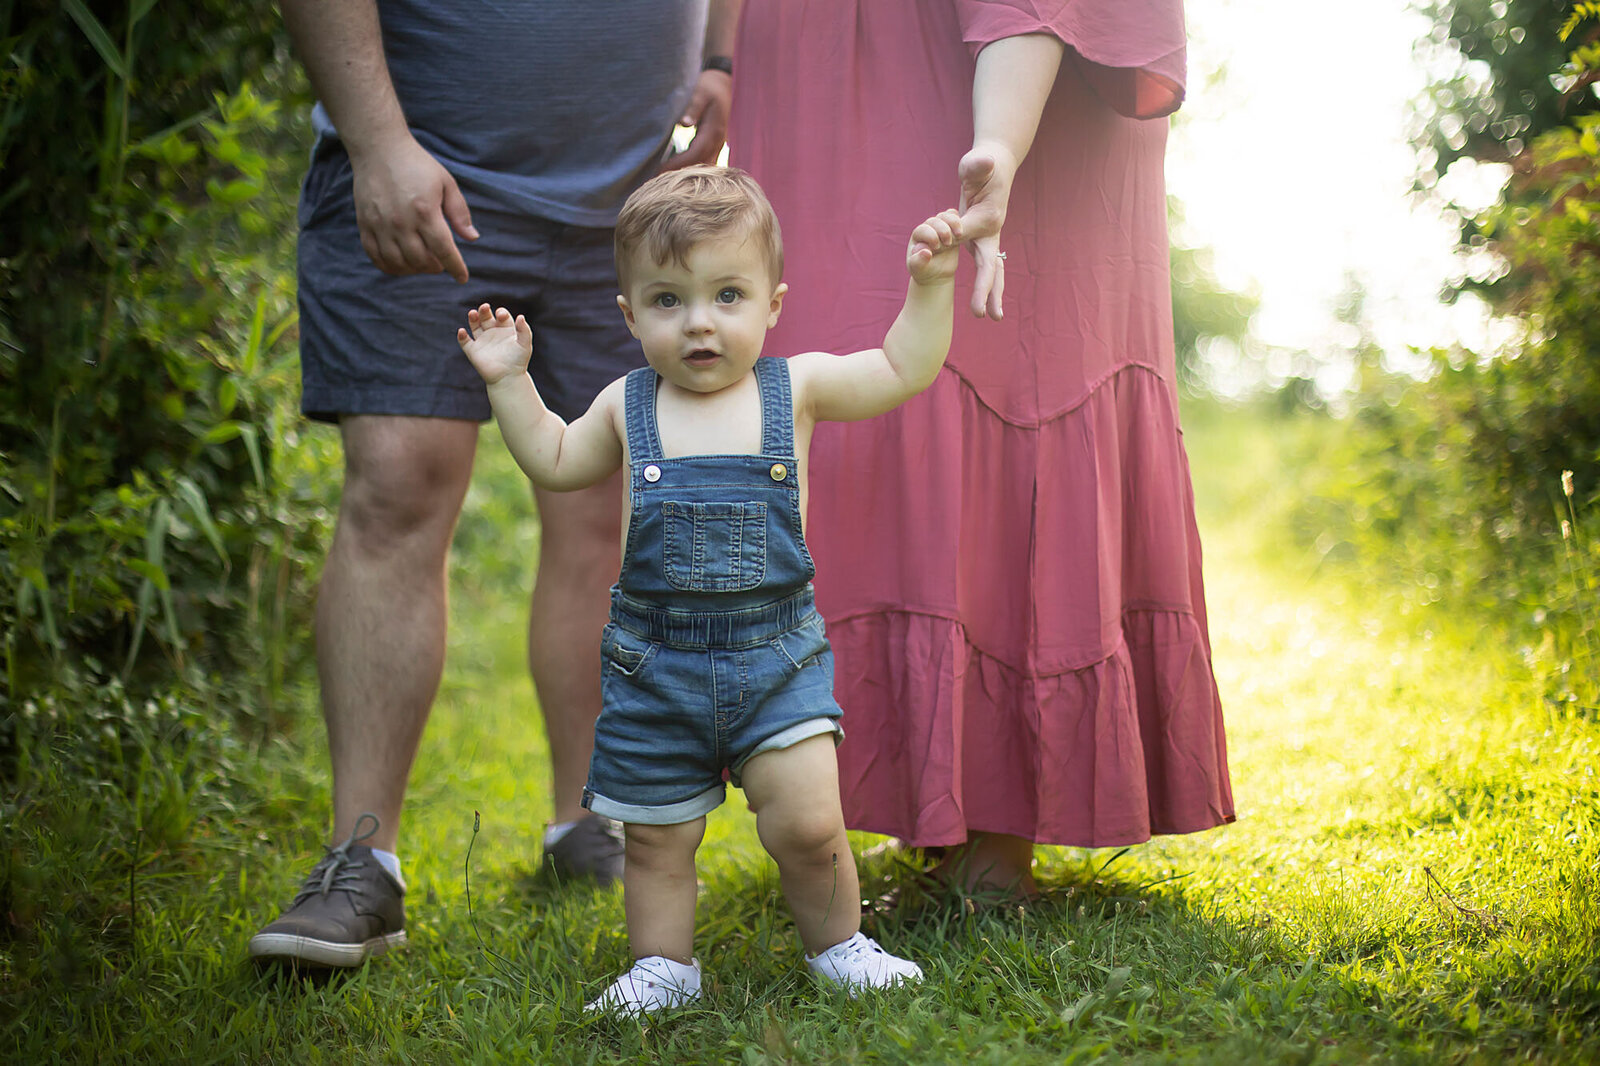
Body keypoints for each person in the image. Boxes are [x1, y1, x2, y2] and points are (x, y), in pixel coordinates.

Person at [249, 0, 740, 968]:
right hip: (424, 174)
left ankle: (584, 826)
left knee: (605, 508)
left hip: (634, 198)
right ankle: (362, 862)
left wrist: (719, 56)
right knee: (397, 482)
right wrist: (375, 139)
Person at [729, 0, 1235, 897]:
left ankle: (995, 831)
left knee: (985, 364)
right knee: (852, 379)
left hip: (990, 65)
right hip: (830, 68)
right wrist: (720, 59)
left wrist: (999, 142)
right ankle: (935, 806)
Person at [454, 166, 954, 1014]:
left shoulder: (795, 389)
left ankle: (839, 945)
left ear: (772, 304)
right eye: (667, 300)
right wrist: (509, 382)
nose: (699, 323)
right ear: (629, 314)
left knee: (807, 823)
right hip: (656, 668)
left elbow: (903, 367)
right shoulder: (626, 404)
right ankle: (663, 967)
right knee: (655, 839)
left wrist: (930, 285)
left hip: (777, 658)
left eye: (728, 295)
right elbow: (554, 459)